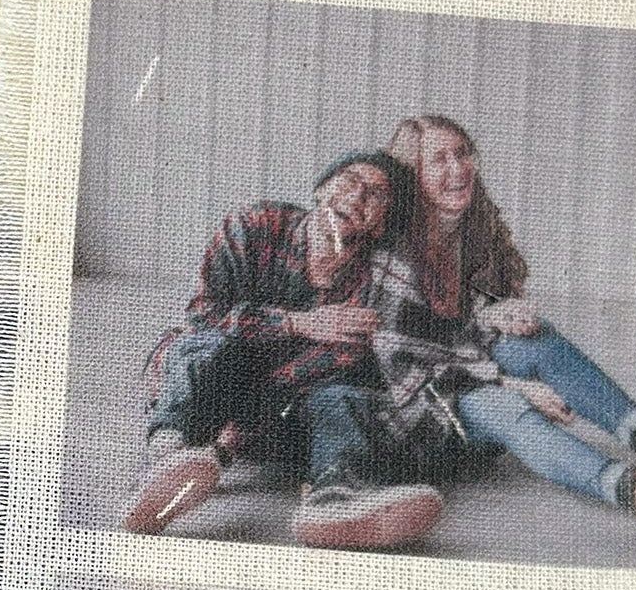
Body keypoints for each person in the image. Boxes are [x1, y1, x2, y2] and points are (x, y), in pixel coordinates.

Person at [123, 148, 443, 552]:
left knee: (344, 395)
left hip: (281, 410)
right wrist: (299, 323)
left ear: (380, 224)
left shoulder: (378, 277)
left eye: (376, 195)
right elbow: (203, 316)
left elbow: (343, 362)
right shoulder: (254, 225)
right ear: (321, 188)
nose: (357, 197)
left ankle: (331, 499)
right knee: (207, 348)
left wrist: (232, 439)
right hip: (205, 392)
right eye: (349, 180)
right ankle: (168, 459)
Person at [375, 112, 636, 525]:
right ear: (412, 174)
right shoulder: (393, 252)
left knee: (533, 341)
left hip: (460, 375)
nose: (458, 168)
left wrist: (493, 313)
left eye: (462, 153)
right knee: (501, 404)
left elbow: (450, 326)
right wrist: (510, 383)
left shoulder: (468, 227)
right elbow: (408, 371)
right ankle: (629, 488)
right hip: (420, 416)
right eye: (439, 160)